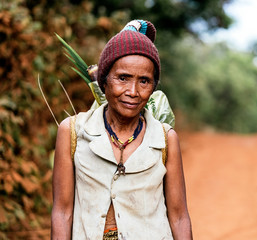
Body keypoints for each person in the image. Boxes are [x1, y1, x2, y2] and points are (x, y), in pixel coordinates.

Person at [51, 20, 192, 240]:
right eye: (123, 78)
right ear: (104, 81)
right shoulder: (72, 132)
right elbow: (62, 212)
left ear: (153, 88)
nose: (133, 91)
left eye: (144, 81)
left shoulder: (165, 139)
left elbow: (179, 216)